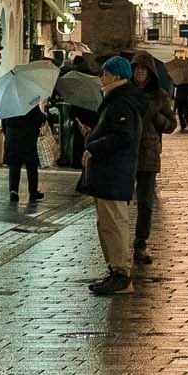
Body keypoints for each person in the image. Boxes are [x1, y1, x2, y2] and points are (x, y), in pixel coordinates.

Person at [78, 56, 144, 294]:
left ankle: (122, 275)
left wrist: (94, 146)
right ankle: (116, 271)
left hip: (114, 173)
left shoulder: (122, 102)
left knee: (115, 224)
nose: (101, 78)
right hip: (109, 174)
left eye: (104, 74)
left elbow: (123, 136)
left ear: (116, 76)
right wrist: (92, 133)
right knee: (107, 225)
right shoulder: (115, 100)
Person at [129, 56, 178, 266]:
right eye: (136, 68)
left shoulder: (160, 96)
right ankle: (122, 244)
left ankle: (140, 244)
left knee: (145, 203)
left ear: (150, 72)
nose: (140, 72)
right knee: (121, 202)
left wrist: (157, 118)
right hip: (126, 152)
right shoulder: (126, 93)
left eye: (144, 69)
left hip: (148, 153)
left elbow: (171, 125)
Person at [1, 101, 47, 205]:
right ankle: (33, 192)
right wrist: (44, 116)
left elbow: (4, 123)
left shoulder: (8, 103)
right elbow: (39, 119)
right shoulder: (30, 101)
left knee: (14, 165)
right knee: (31, 166)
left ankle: (14, 191)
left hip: (12, 137)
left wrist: (9, 134)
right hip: (28, 137)